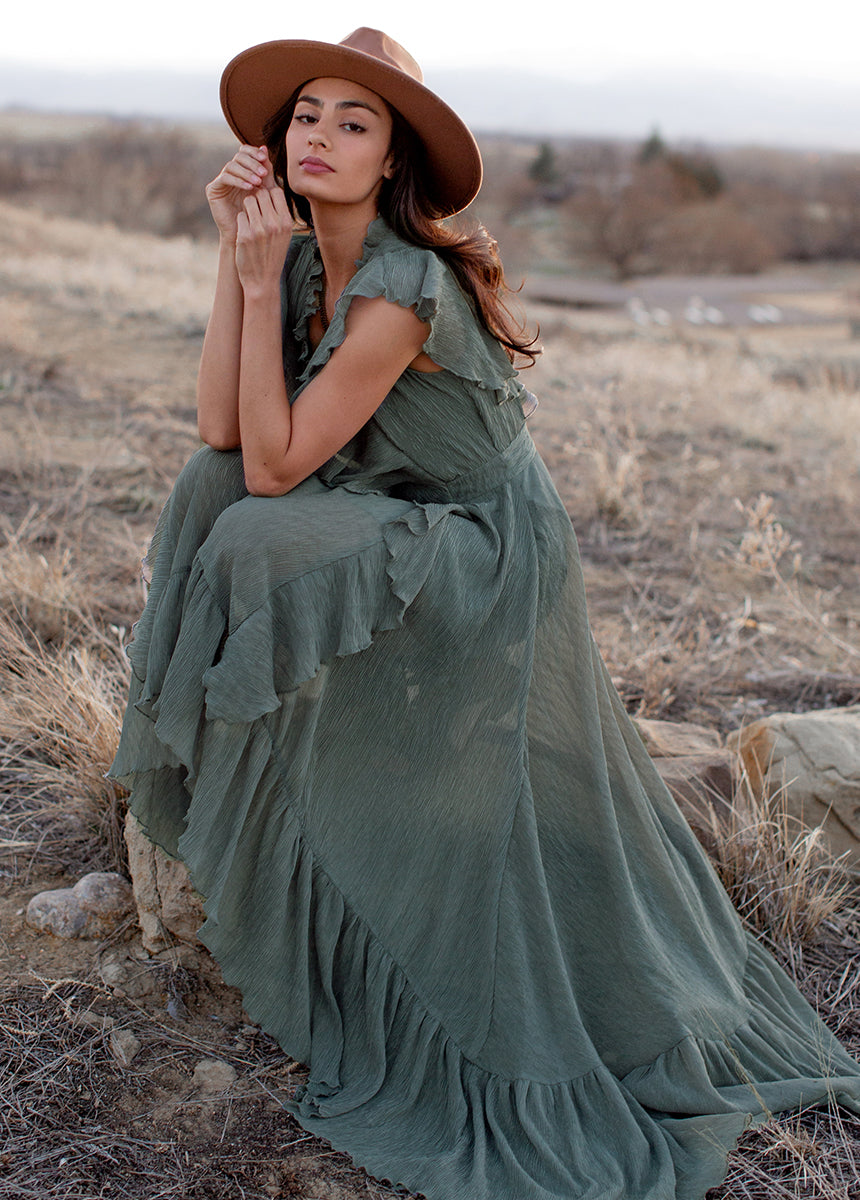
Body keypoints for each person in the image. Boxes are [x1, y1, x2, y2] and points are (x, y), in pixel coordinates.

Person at [110, 28, 860, 1200]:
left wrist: (254, 283)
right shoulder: (299, 261)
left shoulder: (404, 285)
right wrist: (237, 263)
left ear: (392, 159)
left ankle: (290, 785)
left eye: (353, 122)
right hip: (389, 503)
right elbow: (221, 434)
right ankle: (222, 757)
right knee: (204, 487)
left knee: (250, 524)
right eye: (305, 114)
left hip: (482, 545)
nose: (318, 136)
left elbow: (275, 471)